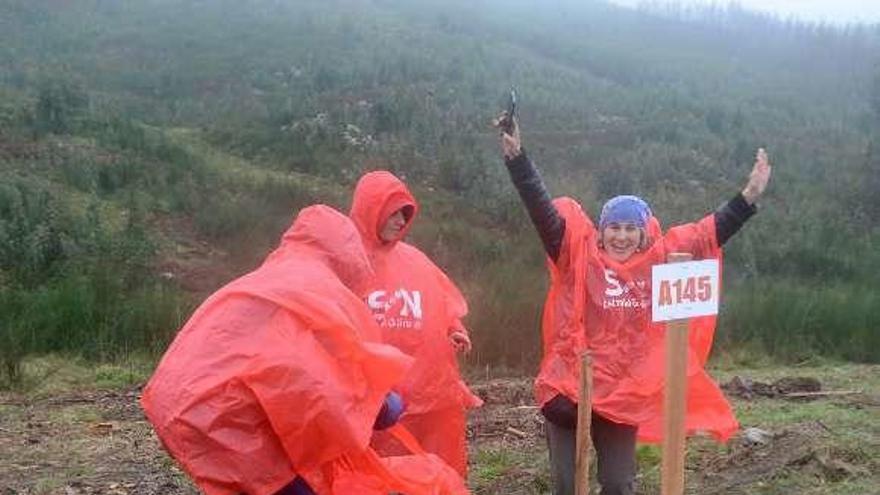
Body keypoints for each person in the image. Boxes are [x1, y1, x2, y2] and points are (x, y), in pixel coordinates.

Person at [495, 115, 771, 495]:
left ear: (643, 232)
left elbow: (708, 233)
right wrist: (518, 160)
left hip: (624, 393)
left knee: (619, 483)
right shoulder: (577, 255)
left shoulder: (661, 261)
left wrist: (748, 198)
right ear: (602, 229)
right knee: (565, 483)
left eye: (630, 228)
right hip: (570, 387)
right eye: (614, 227)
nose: (621, 236)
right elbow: (542, 211)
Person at [141, 205, 467, 495]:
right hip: (223, 418)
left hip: (171, 401)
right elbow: (321, 382)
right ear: (345, 253)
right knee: (285, 481)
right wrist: (384, 405)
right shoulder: (323, 290)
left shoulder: (275, 275)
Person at [349, 171, 483, 478]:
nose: (400, 221)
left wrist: (455, 329)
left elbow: (441, 302)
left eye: (405, 213)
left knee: (432, 473)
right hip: (375, 401)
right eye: (393, 212)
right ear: (371, 209)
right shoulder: (347, 259)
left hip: (429, 395)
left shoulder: (415, 260)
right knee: (371, 476)